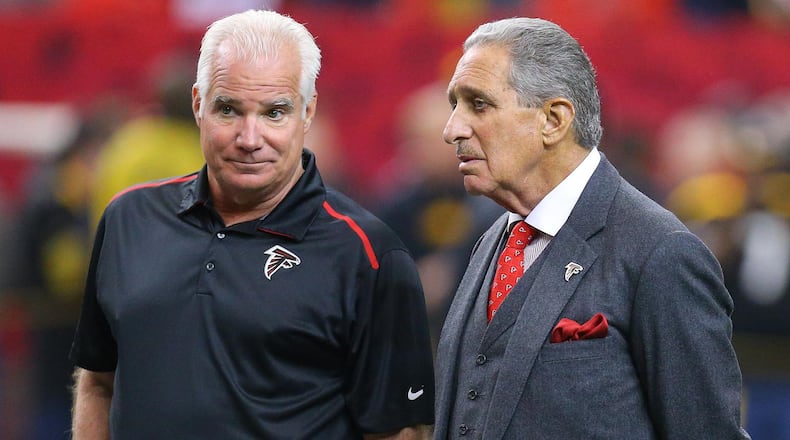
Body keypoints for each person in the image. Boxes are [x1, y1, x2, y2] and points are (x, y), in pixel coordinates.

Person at [69, 10, 434, 439]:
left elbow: (400, 431)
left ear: (308, 111)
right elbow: (98, 381)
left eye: (274, 112)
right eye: (228, 109)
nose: (249, 138)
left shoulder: (368, 253)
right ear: (197, 105)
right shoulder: (128, 218)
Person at [433, 17, 751, 439]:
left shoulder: (661, 252)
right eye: (454, 104)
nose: (452, 129)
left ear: (554, 119)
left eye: (478, 104)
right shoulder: (492, 240)